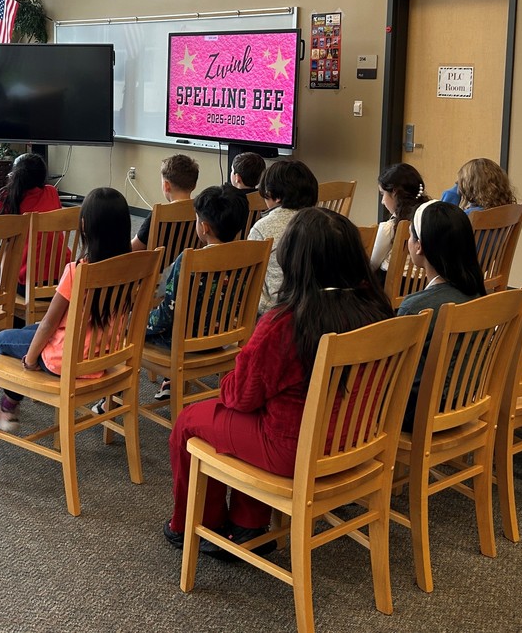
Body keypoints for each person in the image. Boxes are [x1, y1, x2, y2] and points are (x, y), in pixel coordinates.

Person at [164, 207, 394, 555]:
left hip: (295, 450)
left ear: (294, 260)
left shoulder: (286, 322)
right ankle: (247, 525)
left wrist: (229, 377)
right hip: (357, 436)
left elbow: (241, 395)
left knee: (190, 421)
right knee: (259, 413)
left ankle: (198, 524)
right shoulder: (379, 310)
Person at [0, 187, 132, 431]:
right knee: (28, 331)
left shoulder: (78, 271)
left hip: (65, 359)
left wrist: (31, 360)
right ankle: (7, 407)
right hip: (102, 355)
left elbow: (49, 324)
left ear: (84, 226)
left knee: (2, 340)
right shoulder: (132, 268)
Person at [139, 184, 249, 403]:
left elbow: (166, 316)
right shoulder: (249, 255)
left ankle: (113, 398)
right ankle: (171, 382)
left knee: (128, 329)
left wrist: (138, 322)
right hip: (224, 337)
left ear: (204, 227)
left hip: (184, 341)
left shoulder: (187, 260)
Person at [396, 200, 487, 432]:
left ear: (419, 246)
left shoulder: (417, 306)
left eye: (410, 236)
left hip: (421, 414)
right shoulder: (481, 295)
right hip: (468, 399)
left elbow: (395, 373)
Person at [247, 159, 319, 314]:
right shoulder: (321, 222)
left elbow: (248, 275)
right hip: (316, 307)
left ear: (276, 196)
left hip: (275, 311)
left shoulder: (263, 227)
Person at [0, 152, 63, 297]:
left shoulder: (7, 198)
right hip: (62, 279)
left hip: (28, 283)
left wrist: (0, 280)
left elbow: (6, 246)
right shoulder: (52, 192)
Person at [369, 162, 430, 280]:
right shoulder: (429, 218)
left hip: (394, 287)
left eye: (383, 194)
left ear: (395, 193)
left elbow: (372, 265)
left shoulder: (390, 227)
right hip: (424, 284)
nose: (382, 201)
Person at [130, 154, 199, 251]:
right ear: (194, 185)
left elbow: (134, 248)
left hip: (157, 266)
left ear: (166, 186)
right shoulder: (201, 211)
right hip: (188, 265)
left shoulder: (157, 215)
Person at [441, 157, 517, 213]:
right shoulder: (505, 211)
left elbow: (443, 225)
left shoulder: (470, 215)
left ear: (470, 187)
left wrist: (453, 192)